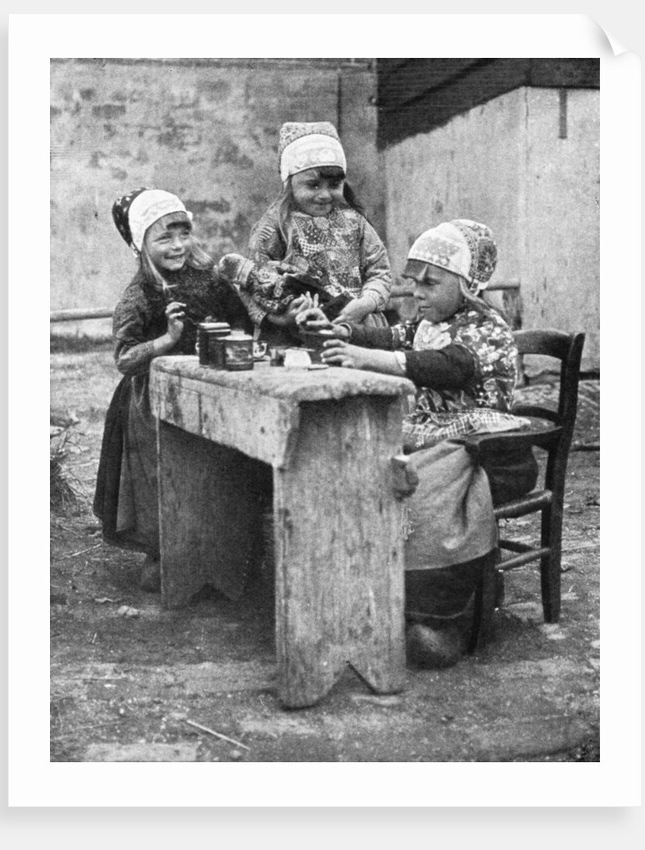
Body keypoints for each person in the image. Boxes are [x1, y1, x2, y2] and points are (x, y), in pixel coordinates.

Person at [295, 219, 539, 668]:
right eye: (413, 283)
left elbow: (446, 366)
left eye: (431, 283)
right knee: (375, 470)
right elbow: (385, 335)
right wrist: (339, 332)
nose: (418, 293)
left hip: (492, 451)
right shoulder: (427, 321)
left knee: (421, 491)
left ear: (466, 286)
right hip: (442, 440)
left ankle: (442, 619)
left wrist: (367, 359)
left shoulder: (484, 328)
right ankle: (383, 597)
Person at [93, 188, 252, 591]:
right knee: (165, 476)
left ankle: (220, 555)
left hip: (209, 388)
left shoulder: (210, 278)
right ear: (141, 243)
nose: (178, 245)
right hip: (153, 402)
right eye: (164, 237)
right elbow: (126, 360)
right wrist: (167, 339)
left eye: (183, 233)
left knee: (214, 469)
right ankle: (164, 552)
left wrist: (230, 338)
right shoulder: (140, 294)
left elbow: (241, 322)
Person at [215, 121, 393, 346]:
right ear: (290, 183)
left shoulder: (355, 223)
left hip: (355, 326)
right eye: (313, 185)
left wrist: (365, 304)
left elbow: (380, 272)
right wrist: (280, 317)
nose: (325, 194)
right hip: (295, 333)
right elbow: (251, 284)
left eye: (334, 185)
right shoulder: (274, 226)